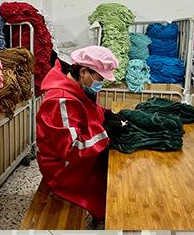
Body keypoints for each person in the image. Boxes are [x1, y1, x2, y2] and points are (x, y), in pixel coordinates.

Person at [36, 46, 128, 222]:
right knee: (112, 187)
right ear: (84, 72)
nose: (101, 84)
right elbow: (72, 148)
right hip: (62, 169)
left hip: (74, 160)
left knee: (117, 171)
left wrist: (107, 114)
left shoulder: (76, 88)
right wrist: (105, 132)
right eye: (100, 79)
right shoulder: (60, 100)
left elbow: (89, 113)